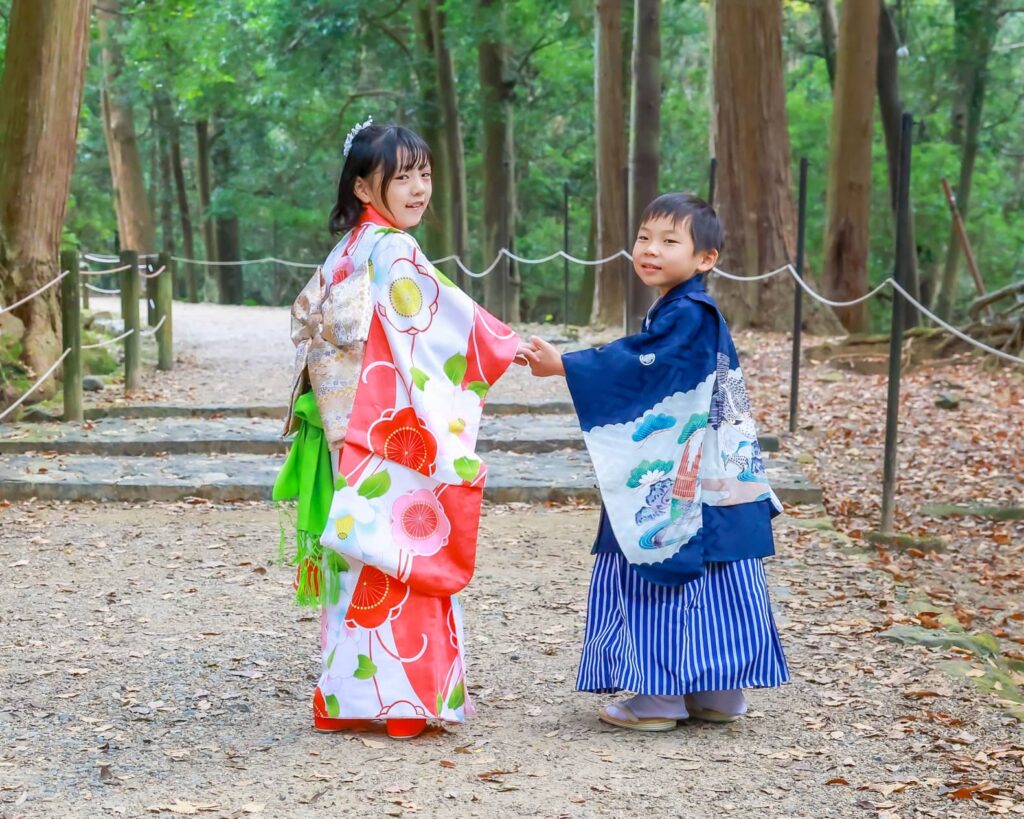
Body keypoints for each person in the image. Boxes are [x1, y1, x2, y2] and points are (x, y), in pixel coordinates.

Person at [274, 119, 526, 739]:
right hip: (388, 425)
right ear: (364, 187)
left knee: (363, 555)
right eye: (401, 177)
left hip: (351, 427)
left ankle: (353, 697)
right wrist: (504, 344)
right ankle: (406, 703)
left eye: (425, 174)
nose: (418, 189)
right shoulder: (391, 251)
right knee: (403, 550)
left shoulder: (349, 250)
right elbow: (443, 321)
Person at [521, 192, 789, 731]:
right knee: (718, 571)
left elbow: (646, 366)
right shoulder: (685, 310)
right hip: (717, 475)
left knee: (663, 562)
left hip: (687, 471)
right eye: (645, 237)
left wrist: (568, 366)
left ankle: (660, 696)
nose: (651, 249)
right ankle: (717, 692)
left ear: (706, 259)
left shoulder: (688, 312)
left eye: (670, 241)